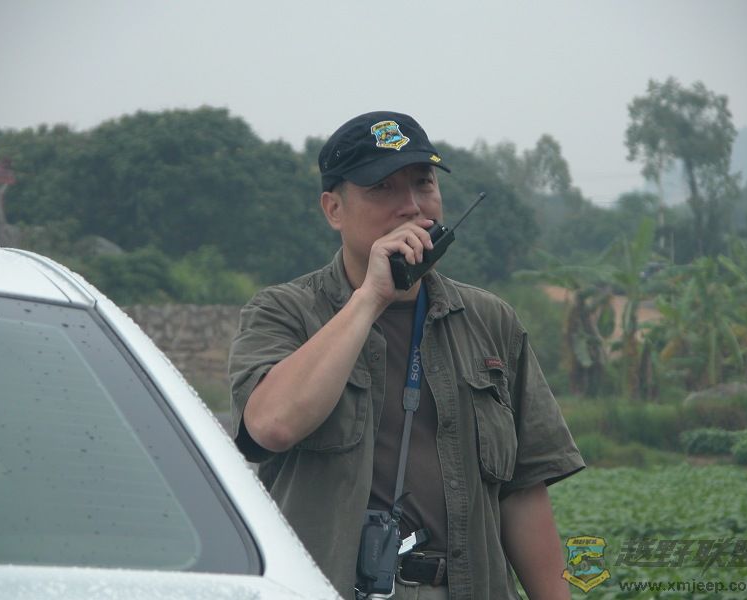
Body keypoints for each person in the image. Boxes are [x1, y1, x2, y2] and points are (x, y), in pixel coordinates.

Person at [229, 111, 585, 600]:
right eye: (383, 188)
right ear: (334, 209)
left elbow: (523, 492)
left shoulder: (490, 320)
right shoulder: (283, 312)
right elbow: (271, 426)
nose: (412, 206)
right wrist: (371, 298)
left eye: (423, 184)